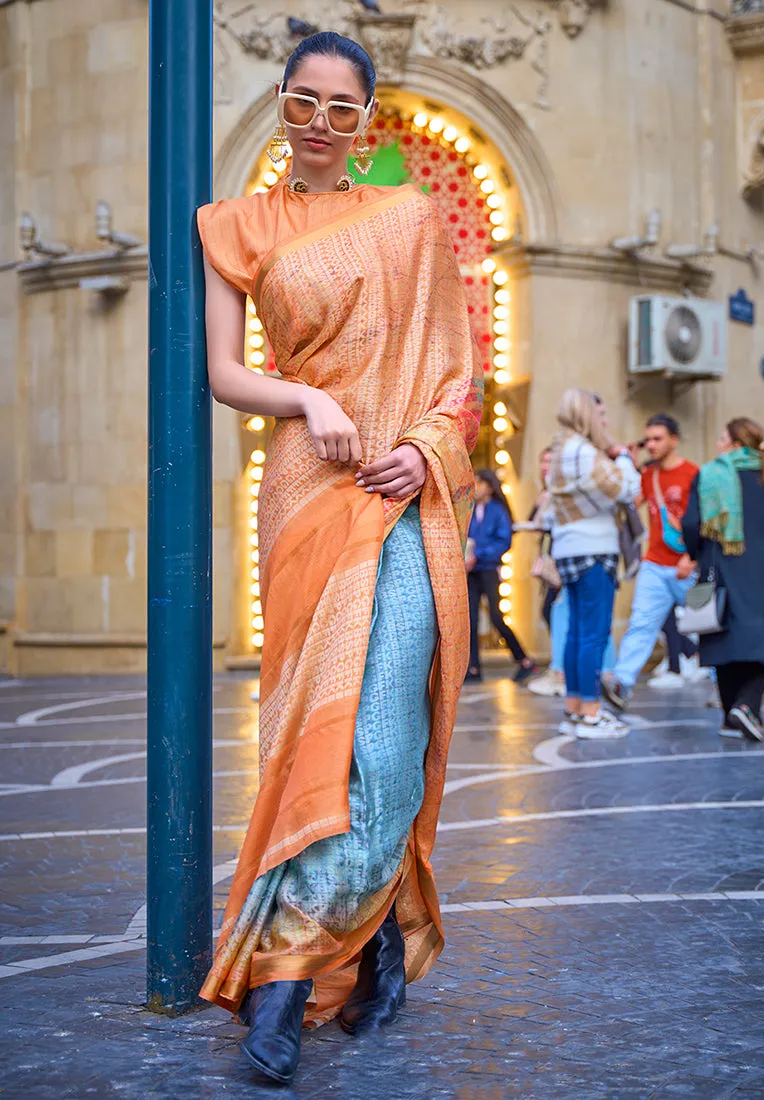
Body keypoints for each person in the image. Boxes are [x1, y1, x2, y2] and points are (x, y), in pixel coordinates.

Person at [196, 33, 483, 1083]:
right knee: (310, 738)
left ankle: (319, 963)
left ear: (368, 120)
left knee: (385, 732)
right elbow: (227, 372)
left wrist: (419, 450)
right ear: (281, 105)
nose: (319, 123)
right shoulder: (235, 227)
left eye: (341, 108)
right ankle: (324, 973)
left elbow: (458, 374)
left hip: (403, 495)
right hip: (305, 491)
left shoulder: (408, 218)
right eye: (302, 102)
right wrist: (308, 394)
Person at [682, 417, 764, 741]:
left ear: (735, 443)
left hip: (718, 566)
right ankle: (746, 710)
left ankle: (734, 713)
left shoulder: (709, 474)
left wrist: (697, 553)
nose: (718, 445)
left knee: (721, 636)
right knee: (763, 640)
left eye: (722, 438)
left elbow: (692, 523)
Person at [548, 389, 640, 738]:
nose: (605, 422)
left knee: (576, 633)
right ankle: (590, 713)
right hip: (594, 550)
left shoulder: (561, 450)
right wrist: (625, 459)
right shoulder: (585, 452)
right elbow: (626, 489)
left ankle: (574, 710)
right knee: (594, 634)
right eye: (600, 415)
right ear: (586, 415)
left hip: (569, 549)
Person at [602, 414, 699, 710]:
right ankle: (622, 683)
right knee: (641, 623)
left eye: (658, 439)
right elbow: (629, 504)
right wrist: (628, 464)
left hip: (687, 565)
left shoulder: (693, 473)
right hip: (655, 564)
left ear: (674, 440)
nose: (652, 445)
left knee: (709, 627)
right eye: (649, 440)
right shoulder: (648, 474)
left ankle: (730, 690)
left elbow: (705, 521)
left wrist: (692, 558)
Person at [466, 470, 536, 683]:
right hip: (470, 571)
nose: (476, 487)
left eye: (480, 483)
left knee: (497, 616)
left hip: (488, 569)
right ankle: (473, 668)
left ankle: (523, 659)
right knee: (470, 619)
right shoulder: (468, 510)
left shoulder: (497, 511)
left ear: (490, 486)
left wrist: (478, 555)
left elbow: (503, 541)